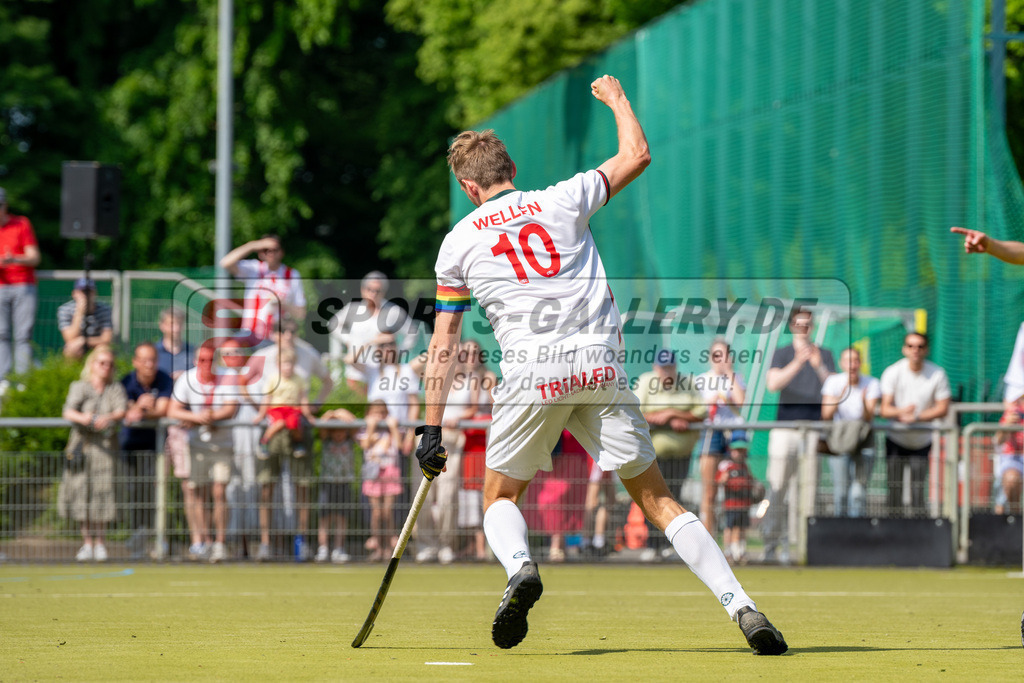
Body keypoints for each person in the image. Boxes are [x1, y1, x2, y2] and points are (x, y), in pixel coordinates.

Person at [414, 75, 786, 654]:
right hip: (599, 368)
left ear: (468, 187)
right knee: (659, 501)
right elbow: (637, 154)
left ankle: (520, 568)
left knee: (499, 498)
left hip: (531, 373)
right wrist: (616, 98)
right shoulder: (564, 197)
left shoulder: (457, 242)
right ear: (511, 168)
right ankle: (744, 607)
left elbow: (444, 342)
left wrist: (430, 426)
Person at [246, 317, 334, 561]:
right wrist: (259, 411)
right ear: (274, 334)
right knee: (267, 487)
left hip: (297, 426)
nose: (288, 335)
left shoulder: (308, 353)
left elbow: (327, 381)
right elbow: (242, 382)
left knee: (302, 487)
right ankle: (265, 543)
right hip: (273, 425)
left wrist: (314, 407)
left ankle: (301, 542)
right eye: (283, 331)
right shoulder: (263, 356)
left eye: (292, 331)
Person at [761, 306, 834, 564]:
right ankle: (771, 546)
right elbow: (773, 384)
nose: (804, 329)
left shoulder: (824, 354)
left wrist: (818, 365)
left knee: (807, 491)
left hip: (812, 430)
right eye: (799, 324)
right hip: (785, 429)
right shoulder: (782, 353)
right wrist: (798, 362)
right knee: (777, 488)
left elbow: (834, 387)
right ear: (792, 326)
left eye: (808, 324)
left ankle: (802, 547)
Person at [167, 343, 239, 562]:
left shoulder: (228, 377)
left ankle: (220, 543)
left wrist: (212, 417)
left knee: (219, 491)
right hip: (197, 445)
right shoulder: (187, 379)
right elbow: (173, 409)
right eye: (202, 360)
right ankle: (204, 541)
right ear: (195, 361)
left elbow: (231, 408)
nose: (206, 364)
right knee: (198, 493)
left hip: (222, 445)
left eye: (210, 360)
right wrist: (197, 418)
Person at [412, 340, 481, 564]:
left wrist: (458, 418)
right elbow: (413, 368)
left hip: (452, 440)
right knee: (422, 494)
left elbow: (472, 408)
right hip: (427, 438)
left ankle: (445, 544)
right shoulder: (434, 376)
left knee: (447, 495)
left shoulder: (472, 379)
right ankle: (425, 544)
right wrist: (439, 349)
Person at [634, 348, 707, 559]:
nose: (667, 371)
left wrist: (674, 414)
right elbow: (635, 412)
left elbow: (701, 412)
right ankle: (653, 545)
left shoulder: (687, 382)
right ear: (656, 368)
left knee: (674, 499)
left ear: (675, 367)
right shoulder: (646, 382)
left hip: (681, 456)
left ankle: (672, 546)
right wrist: (659, 418)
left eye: (670, 367)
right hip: (651, 456)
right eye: (663, 367)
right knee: (652, 500)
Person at [59, 345, 128, 562]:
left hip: (106, 449)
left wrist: (107, 419)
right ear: (92, 364)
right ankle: (86, 543)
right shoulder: (79, 386)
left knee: (103, 494)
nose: (106, 367)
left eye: (110, 364)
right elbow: (68, 411)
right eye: (102, 363)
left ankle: (100, 543)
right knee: (81, 493)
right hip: (82, 448)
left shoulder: (115, 388)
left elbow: (121, 410)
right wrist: (86, 418)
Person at [879, 332, 951, 517]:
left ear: (926, 350)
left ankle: (918, 530)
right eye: (911, 346)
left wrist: (917, 417)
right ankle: (892, 527)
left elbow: (943, 408)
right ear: (904, 349)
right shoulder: (893, 372)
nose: (915, 350)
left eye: (920, 346)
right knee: (894, 490)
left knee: (918, 491)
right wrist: (902, 412)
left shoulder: (937, 373)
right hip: (896, 439)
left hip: (922, 441)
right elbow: (885, 409)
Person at [119, 342, 174, 557]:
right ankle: (138, 537)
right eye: (144, 360)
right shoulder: (126, 381)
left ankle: (157, 538)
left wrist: (140, 410)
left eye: (152, 360)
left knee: (155, 493)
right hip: (129, 446)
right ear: (135, 362)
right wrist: (140, 405)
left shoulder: (164, 379)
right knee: (132, 492)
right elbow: (122, 410)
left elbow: (162, 409)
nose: (149, 365)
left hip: (157, 448)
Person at [329, 271, 416, 394]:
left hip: (381, 373)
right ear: (362, 289)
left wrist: (398, 352)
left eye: (377, 291)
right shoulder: (353, 309)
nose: (373, 294)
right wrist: (348, 340)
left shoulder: (393, 311)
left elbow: (412, 332)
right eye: (369, 289)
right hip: (356, 370)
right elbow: (333, 324)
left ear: (384, 292)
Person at [820, 347, 881, 517]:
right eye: (848, 361)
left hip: (863, 440)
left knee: (858, 492)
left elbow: (868, 417)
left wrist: (864, 403)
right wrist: (840, 397)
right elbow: (826, 414)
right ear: (841, 363)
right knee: (841, 491)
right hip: (839, 441)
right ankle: (840, 528)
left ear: (860, 363)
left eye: (855, 361)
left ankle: (857, 529)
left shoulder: (872, 383)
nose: (852, 365)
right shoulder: (833, 382)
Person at [696, 338, 747, 535]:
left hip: (733, 435)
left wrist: (729, 373)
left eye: (725, 355)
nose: (721, 360)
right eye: (717, 355)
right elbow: (697, 409)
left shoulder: (736, 378)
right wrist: (709, 403)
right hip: (711, 435)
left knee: (736, 488)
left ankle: (733, 542)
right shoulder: (702, 380)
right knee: (710, 490)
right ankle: (707, 536)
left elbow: (742, 402)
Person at [219, 235, 306, 342]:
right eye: (265, 250)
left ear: (281, 252)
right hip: (250, 333)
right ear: (260, 253)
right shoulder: (254, 268)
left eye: (274, 250)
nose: (270, 253)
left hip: (276, 337)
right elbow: (225, 263)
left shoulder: (291, 275)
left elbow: (301, 313)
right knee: (229, 348)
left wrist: (282, 303)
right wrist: (253, 245)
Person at [0, 186, 40, 389]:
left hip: (23, 285)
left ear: (5, 206)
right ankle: (3, 381)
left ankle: (23, 381)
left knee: (23, 335)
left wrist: (14, 259)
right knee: (1, 334)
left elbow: (34, 257)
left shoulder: (21, 223)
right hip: (1, 286)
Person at [360, 400, 403, 561]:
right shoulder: (365, 428)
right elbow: (365, 445)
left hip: (390, 470)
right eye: (375, 413)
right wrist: (371, 427)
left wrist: (393, 427)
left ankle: (389, 548)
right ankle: (377, 546)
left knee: (388, 511)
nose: (378, 416)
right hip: (373, 472)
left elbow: (399, 446)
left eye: (382, 413)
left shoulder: (390, 429)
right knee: (376, 512)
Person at [253, 349, 316, 457]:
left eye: (290, 363)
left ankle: (298, 442)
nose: (288, 367)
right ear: (278, 365)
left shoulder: (299, 379)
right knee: (279, 423)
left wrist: (308, 415)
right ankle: (264, 442)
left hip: (292, 409)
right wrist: (261, 415)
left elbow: (303, 399)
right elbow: (267, 398)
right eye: (284, 364)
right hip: (277, 409)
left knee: (294, 423)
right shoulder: (273, 379)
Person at [316, 408, 358, 563]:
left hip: (344, 483)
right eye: (335, 430)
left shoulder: (350, 440)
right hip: (327, 483)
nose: (339, 434)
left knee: (341, 517)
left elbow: (355, 423)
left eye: (342, 430)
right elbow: (321, 423)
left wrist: (342, 412)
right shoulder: (326, 440)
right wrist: (331, 413)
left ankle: (338, 548)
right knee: (324, 517)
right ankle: (323, 548)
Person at [715, 439, 763, 565]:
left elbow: (751, 481)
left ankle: (740, 551)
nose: (740, 454)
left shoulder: (745, 467)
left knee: (741, 528)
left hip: (744, 504)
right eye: (737, 451)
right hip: (731, 504)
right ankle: (728, 551)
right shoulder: (727, 466)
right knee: (729, 528)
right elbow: (720, 480)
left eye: (742, 451)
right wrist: (725, 478)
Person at [57, 278, 114, 360]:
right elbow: (69, 338)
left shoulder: (105, 310)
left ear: (95, 293)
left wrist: (84, 340)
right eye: (83, 292)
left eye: (89, 292)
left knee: (104, 350)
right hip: (77, 346)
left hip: (96, 346)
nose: (86, 296)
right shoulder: (65, 310)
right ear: (74, 294)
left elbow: (107, 339)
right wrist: (79, 313)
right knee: (70, 349)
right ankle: (72, 368)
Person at [995, 399, 1024, 515]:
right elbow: (998, 440)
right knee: (1011, 479)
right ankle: (1015, 517)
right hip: (1012, 459)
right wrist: (1007, 426)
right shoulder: (1012, 412)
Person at [155, 306, 194, 380]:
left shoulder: (193, 352)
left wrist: (186, 376)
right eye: (172, 324)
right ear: (162, 325)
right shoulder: (153, 352)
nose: (177, 328)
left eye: (180, 323)